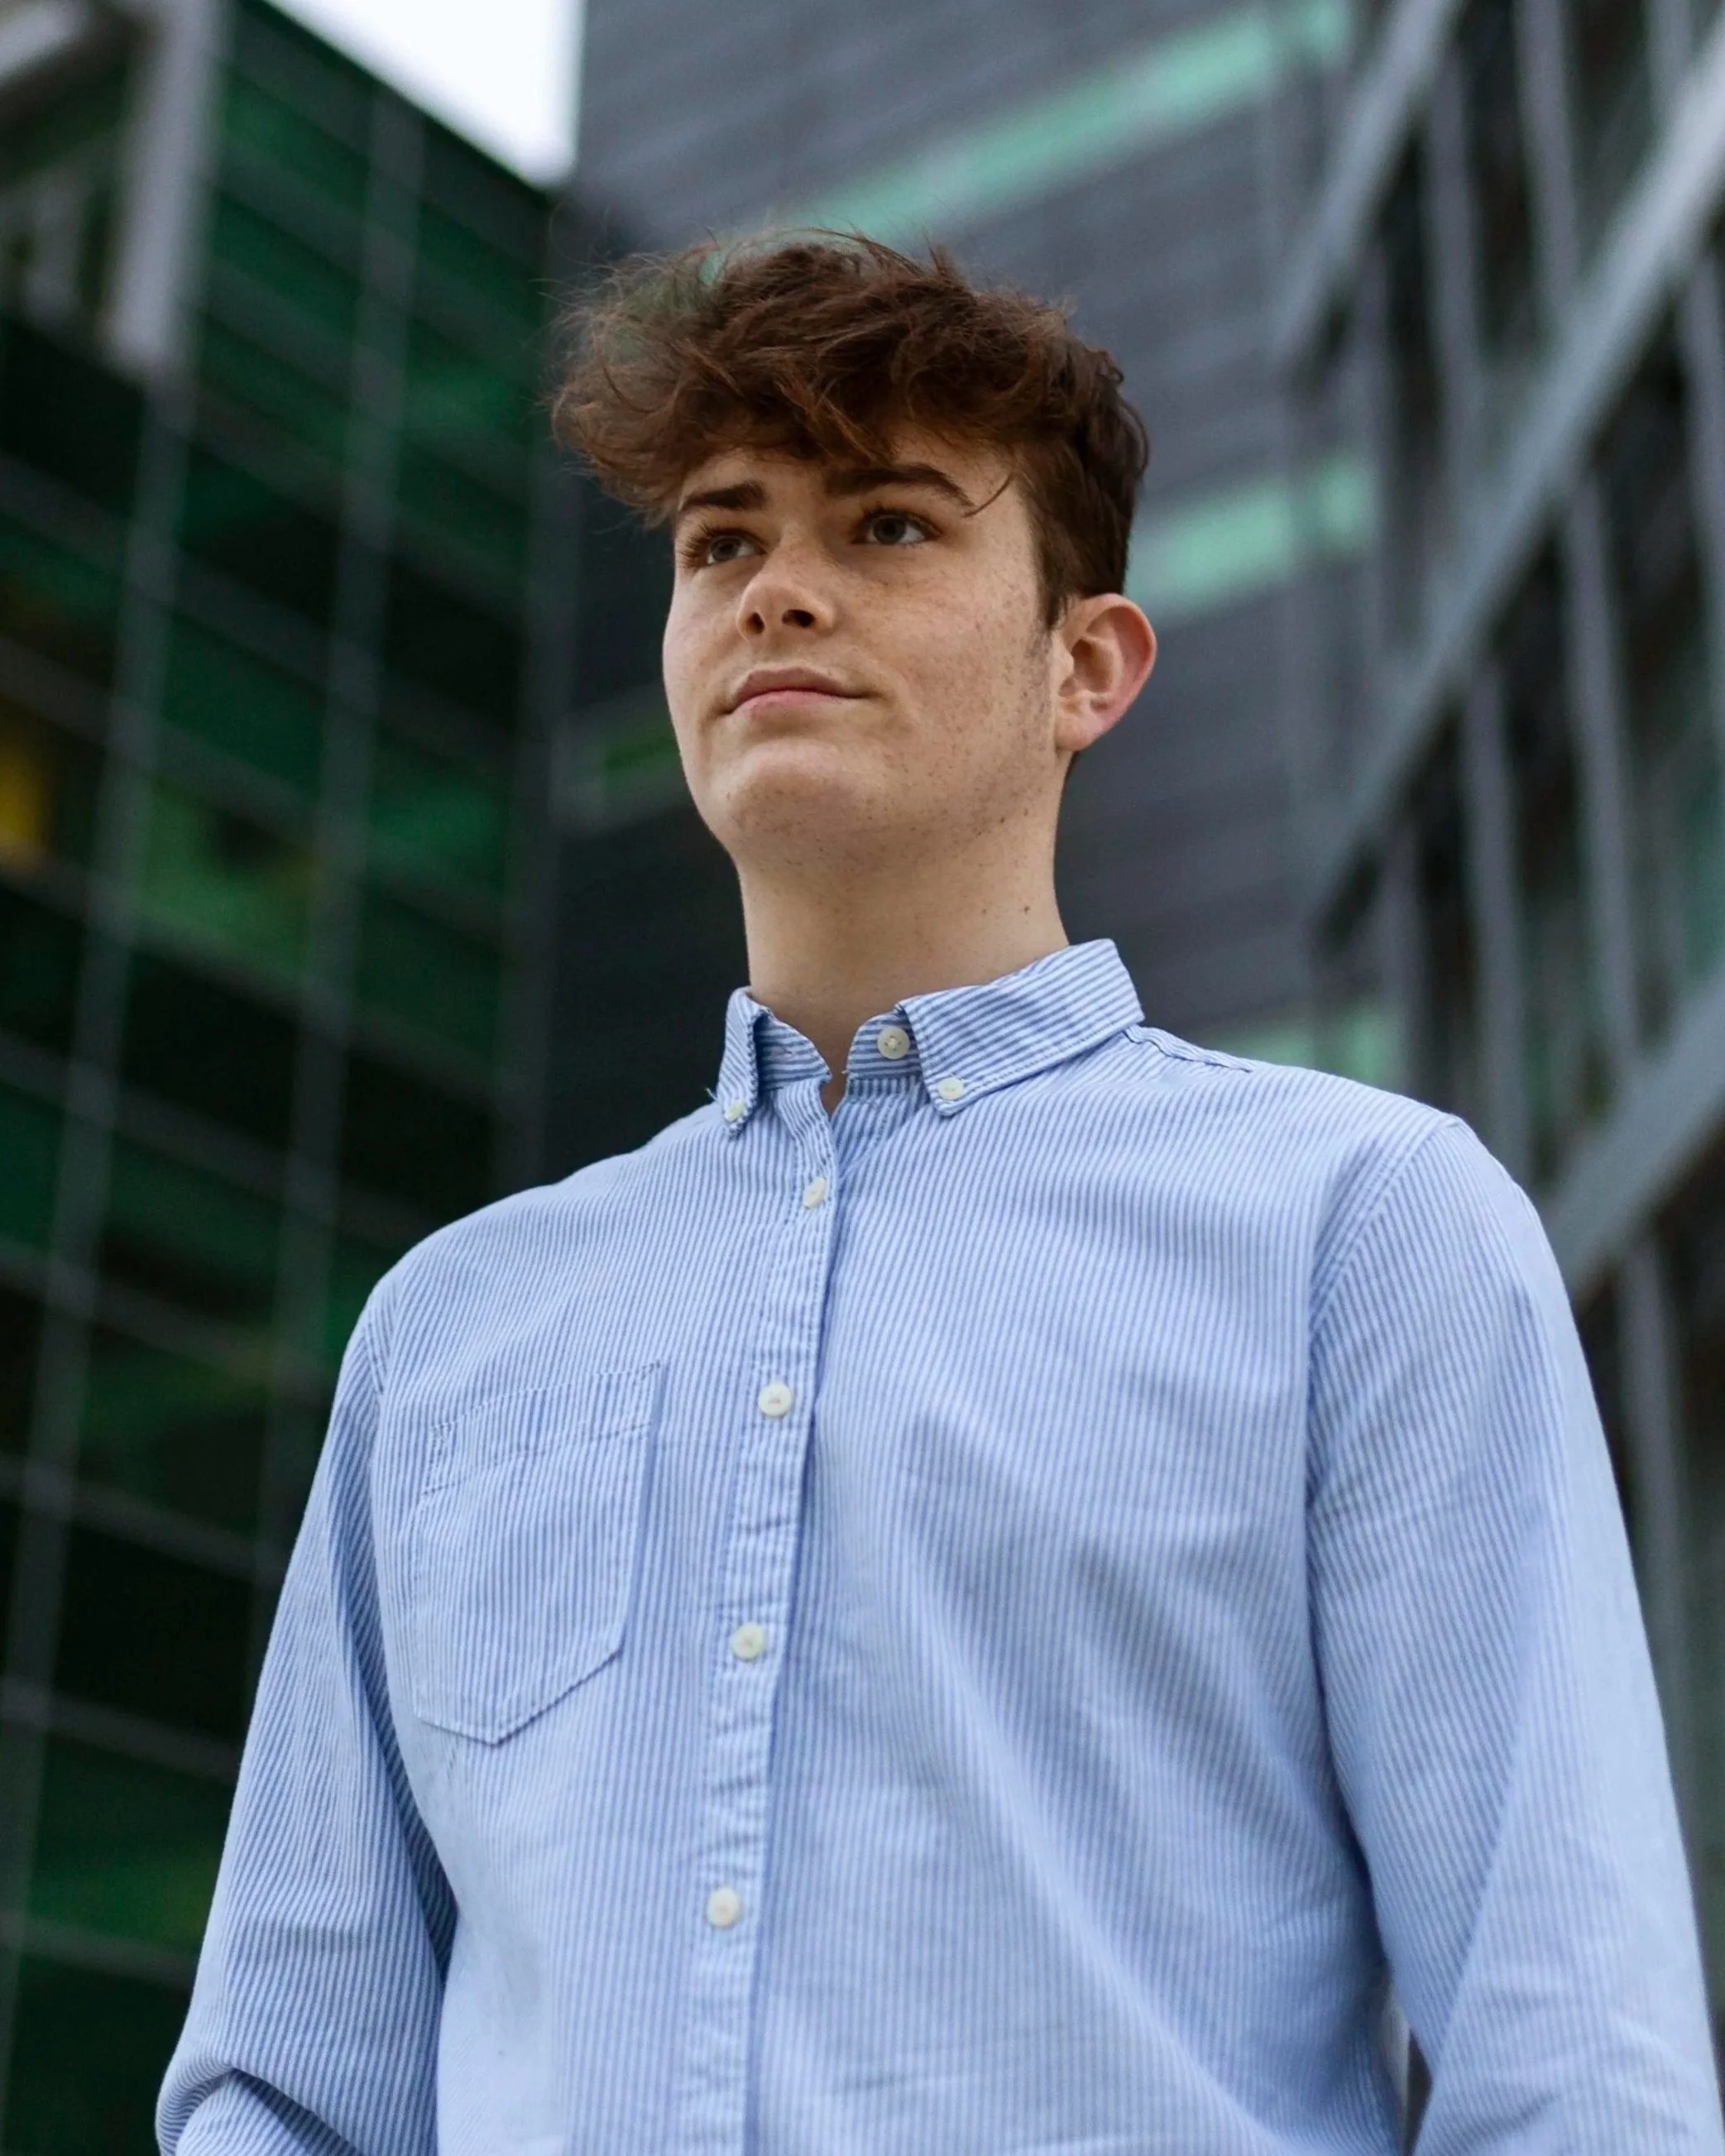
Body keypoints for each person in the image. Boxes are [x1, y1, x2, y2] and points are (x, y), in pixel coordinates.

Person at [159, 234, 1719, 2154]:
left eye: (886, 525)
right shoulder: (450, 1328)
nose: (775, 588)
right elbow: (287, 2084)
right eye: (720, 542)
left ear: (1088, 665)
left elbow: (1574, 2070)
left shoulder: (1362, 1232)